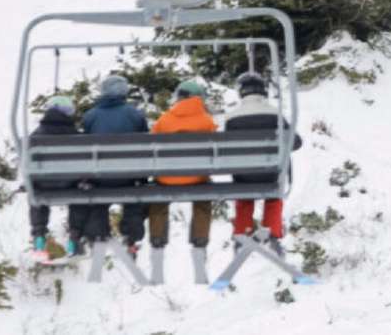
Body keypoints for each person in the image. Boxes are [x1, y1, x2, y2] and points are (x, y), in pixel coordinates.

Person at [225, 72, 302, 255]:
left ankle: (242, 233)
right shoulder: (276, 114)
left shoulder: (232, 118)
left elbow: (226, 149)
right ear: (263, 91)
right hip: (271, 173)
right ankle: (273, 233)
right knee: (274, 194)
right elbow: (295, 143)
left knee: (244, 196)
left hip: (243, 176)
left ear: (241, 92)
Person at [147, 80, 217, 280]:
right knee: (203, 200)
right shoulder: (206, 120)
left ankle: (158, 243)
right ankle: (199, 243)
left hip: (166, 178)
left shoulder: (165, 119)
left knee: (158, 200)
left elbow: (151, 146)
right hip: (197, 178)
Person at [81, 74, 148, 257]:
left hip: (100, 176)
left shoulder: (90, 116)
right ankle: (132, 238)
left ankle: (97, 237)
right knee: (134, 201)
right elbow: (145, 145)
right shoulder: (135, 115)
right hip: (130, 176)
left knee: (98, 201)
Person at [27, 96, 88, 258]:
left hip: (43, 183)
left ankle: (39, 236)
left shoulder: (35, 135)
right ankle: (74, 238)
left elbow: (27, 161)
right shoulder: (76, 135)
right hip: (70, 183)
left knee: (35, 194)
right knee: (80, 195)